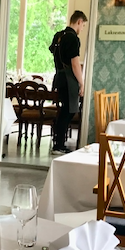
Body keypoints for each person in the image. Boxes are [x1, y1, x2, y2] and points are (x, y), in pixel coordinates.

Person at [50, 10, 88, 153]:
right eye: (83, 25)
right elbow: (75, 64)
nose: (82, 29)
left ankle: (58, 142)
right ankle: (58, 144)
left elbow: (53, 52)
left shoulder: (58, 36)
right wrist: (82, 83)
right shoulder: (73, 38)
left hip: (59, 77)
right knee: (69, 111)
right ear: (79, 21)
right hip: (68, 79)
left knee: (65, 110)